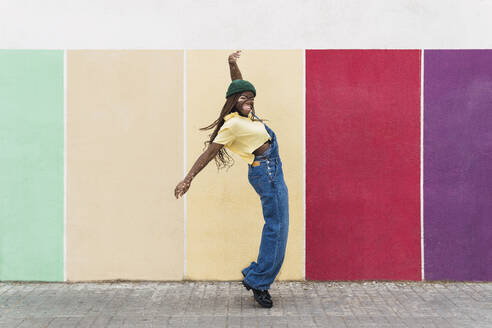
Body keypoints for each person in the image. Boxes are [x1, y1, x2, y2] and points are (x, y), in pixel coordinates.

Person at [174, 50, 289, 308]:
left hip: (272, 170)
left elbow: (238, 86)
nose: (250, 100)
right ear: (235, 101)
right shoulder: (232, 125)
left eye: (251, 98)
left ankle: (257, 277)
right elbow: (209, 153)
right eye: (245, 98)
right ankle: (258, 281)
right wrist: (188, 179)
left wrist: (232, 63)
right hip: (267, 173)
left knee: (277, 226)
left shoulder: (245, 115)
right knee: (277, 228)